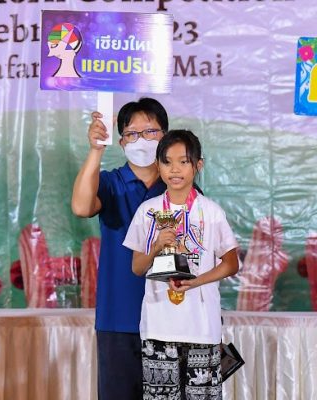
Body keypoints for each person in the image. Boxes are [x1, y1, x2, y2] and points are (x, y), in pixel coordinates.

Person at [123, 129, 239, 399]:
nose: (174, 169)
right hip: (158, 325)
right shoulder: (148, 211)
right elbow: (137, 268)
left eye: (183, 161)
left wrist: (195, 282)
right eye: (167, 161)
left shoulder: (211, 212)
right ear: (158, 165)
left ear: (198, 165)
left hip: (202, 327)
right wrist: (156, 246)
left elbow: (231, 263)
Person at [71, 97, 169, 399]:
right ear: (122, 141)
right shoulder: (111, 183)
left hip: (172, 319)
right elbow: (81, 207)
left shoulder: (179, 188)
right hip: (119, 317)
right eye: (132, 133)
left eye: (150, 131)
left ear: (165, 136)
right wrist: (95, 150)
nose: (142, 140)